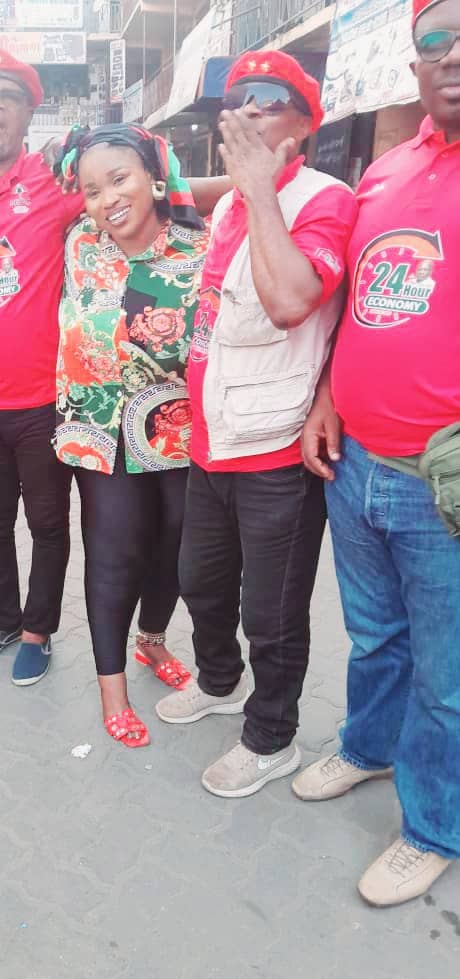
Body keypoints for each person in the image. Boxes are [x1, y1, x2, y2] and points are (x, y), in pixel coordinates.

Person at [0, 46, 231, 689]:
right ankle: (2, 620)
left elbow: (145, 189)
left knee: (52, 525)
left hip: (51, 405)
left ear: (28, 114)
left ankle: (39, 631)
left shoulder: (56, 190)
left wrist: (256, 183)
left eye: (10, 97)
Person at [293, 0, 460, 906]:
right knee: (376, 636)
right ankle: (368, 746)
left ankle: (433, 825)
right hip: (356, 462)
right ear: (415, 64)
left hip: (443, 484)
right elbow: (356, 305)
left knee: (449, 675)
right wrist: (327, 397)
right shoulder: (386, 171)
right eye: (437, 41)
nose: (454, 56)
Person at [155, 51, 358, 796]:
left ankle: (272, 737)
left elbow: (291, 301)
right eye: (236, 99)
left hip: (276, 448)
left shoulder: (323, 200)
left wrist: (261, 190)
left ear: (304, 126)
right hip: (211, 438)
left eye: (268, 102)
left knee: (269, 613)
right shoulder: (230, 205)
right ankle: (219, 681)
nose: (245, 112)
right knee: (199, 583)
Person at [54, 124, 210, 747]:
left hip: (174, 428)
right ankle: (111, 689)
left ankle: (152, 640)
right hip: (98, 427)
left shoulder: (199, 248)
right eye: (92, 190)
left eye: (120, 179)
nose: (107, 200)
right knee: (113, 553)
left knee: (174, 548)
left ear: (153, 177)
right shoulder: (78, 242)